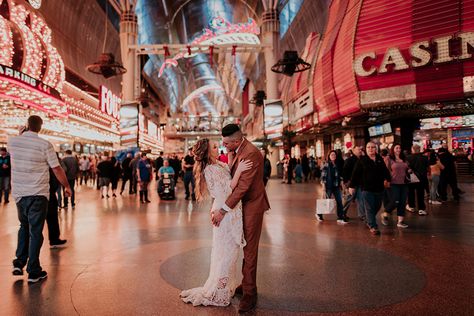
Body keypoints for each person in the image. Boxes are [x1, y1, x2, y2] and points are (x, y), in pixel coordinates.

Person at [180, 138, 252, 307]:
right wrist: (240, 170)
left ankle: (223, 287)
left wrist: (231, 155)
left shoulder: (218, 164)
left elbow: (228, 171)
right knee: (227, 252)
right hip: (225, 211)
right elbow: (228, 188)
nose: (217, 147)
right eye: (214, 146)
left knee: (226, 251)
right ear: (207, 152)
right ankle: (219, 291)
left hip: (227, 209)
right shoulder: (210, 169)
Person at [8, 115, 71, 283]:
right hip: (38, 194)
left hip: (20, 194)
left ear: (27, 125)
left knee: (24, 226)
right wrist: (67, 186)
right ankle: (34, 271)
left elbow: (18, 145)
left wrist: (21, 133)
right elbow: (56, 169)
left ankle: (19, 262)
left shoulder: (13, 142)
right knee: (35, 232)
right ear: (40, 127)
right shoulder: (45, 145)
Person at [216, 124, 270, 312]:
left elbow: (242, 187)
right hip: (242, 206)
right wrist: (231, 159)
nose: (223, 146)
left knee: (250, 249)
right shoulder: (239, 150)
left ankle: (250, 293)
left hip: (252, 206)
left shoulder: (251, 154)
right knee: (243, 245)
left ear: (237, 141)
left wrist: (222, 210)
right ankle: (246, 283)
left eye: (226, 143)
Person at [350, 142, 391, 235]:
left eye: (372, 147)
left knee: (377, 206)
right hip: (367, 189)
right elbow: (355, 174)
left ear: (375, 149)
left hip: (379, 188)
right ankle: (373, 226)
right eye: (368, 147)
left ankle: (369, 219)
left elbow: (385, 170)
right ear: (366, 149)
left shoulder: (379, 159)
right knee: (369, 208)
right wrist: (351, 186)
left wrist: (388, 179)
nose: (370, 149)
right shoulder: (362, 160)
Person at [381, 144, 409, 228]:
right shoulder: (388, 159)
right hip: (393, 183)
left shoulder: (404, 158)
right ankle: (385, 213)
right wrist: (385, 181)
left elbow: (407, 168)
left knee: (402, 202)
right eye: (397, 148)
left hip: (404, 183)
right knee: (395, 201)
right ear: (393, 149)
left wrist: (409, 170)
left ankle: (400, 221)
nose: (399, 149)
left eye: (400, 148)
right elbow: (384, 171)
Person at [320, 150, 347, 224]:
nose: (333, 156)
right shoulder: (326, 165)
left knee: (339, 202)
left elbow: (339, 176)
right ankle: (319, 214)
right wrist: (323, 187)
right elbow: (323, 177)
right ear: (329, 156)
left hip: (336, 186)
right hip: (328, 186)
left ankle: (340, 217)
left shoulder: (337, 164)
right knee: (326, 201)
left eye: (334, 155)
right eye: (332, 155)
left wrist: (342, 185)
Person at [47, 165, 67, 248]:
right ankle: (54, 239)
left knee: (31, 223)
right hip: (48, 193)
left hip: (30, 193)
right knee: (52, 218)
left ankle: (25, 251)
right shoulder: (49, 167)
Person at [342, 146, 364, 220]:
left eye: (361, 149)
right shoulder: (349, 160)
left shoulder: (362, 159)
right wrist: (347, 182)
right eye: (358, 149)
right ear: (353, 150)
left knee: (361, 199)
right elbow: (344, 172)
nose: (360, 151)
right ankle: (342, 213)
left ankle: (362, 215)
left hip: (360, 183)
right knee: (348, 199)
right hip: (351, 184)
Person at [406, 144, 429, 215]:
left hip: (412, 178)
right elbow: (427, 168)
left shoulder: (408, 157)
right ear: (419, 149)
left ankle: (411, 206)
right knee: (420, 194)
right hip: (422, 179)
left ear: (412, 149)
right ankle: (421, 209)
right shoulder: (425, 158)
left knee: (411, 193)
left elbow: (407, 168)